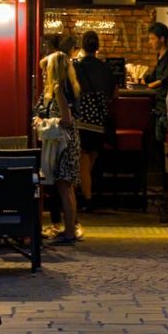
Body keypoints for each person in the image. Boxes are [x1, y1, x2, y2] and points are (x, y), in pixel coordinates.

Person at [38, 34, 82, 244]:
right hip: (71, 141)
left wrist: (44, 124)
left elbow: (65, 119)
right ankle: (70, 229)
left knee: (64, 188)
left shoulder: (58, 89)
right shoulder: (69, 85)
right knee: (68, 187)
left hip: (64, 143)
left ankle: (69, 232)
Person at [71, 30, 117, 211]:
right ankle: (79, 195)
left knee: (83, 161)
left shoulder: (76, 66)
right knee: (89, 162)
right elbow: (114, 95)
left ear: (82, 45)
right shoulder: (105, 68)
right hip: (99, 121)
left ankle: (84, 200)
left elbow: (71, 92)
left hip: (82, 120)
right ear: (97, 46)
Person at [143, 21, 168, 213]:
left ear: (162, 39)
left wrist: (150, 85)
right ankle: (164, 195)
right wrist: (145, 78)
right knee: (159, 152)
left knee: (165, 154)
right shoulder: (160, 56)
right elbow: (153, 77)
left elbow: (166, 80)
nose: (150, 42)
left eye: (153, 39)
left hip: (165, 110)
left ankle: (167, 197)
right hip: (158, 109)